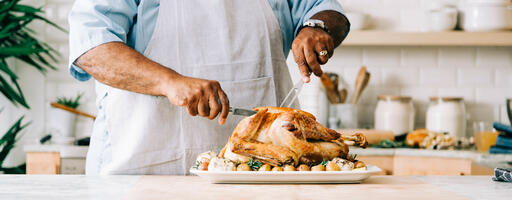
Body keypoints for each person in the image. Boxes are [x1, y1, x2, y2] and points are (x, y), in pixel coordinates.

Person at [68, 0, 350, 175]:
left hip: (262, 179)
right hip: (140, 176)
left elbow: (326, 9)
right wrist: (169, 82)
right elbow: (91, 47)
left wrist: (318, 27)